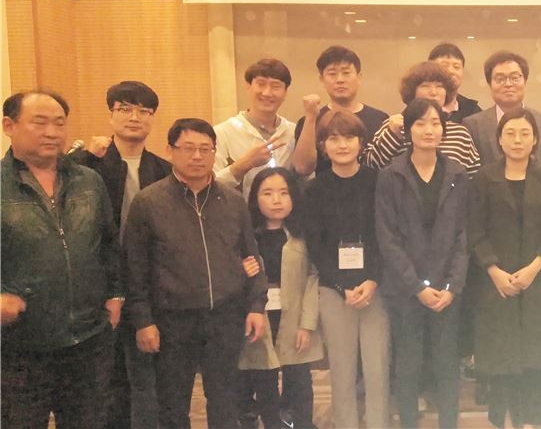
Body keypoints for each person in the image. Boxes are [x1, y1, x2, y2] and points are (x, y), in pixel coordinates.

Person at [123, 118, 268, 428]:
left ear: (215, 151)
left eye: (205, 148)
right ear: (170, 150)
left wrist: (257, 305)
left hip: (225, 318)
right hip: (173, 321)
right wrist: (143, 320)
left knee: (225, 401)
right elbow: (134, 268)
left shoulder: (232, 201)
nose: (197, 156)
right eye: (188, 148)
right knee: (173, 405)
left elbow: (251, 256)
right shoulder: (148, 202)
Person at [2, 90, 122, 429]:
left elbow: (109, 244)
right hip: (20, 346)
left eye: (59, 123)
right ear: (9, 126)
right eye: (39, 123)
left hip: (88, 340)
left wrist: (116, 295)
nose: (52, 132)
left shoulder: (89, 181)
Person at [68, 81, 170, 429]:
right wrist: (82, 155)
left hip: (150, 284)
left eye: (144, 111)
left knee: (152, 373)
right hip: (101, 283)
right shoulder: (87, 166)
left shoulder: (163, 169)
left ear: (153, 118)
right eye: (125, 109)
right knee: (108, 377)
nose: (134, 117)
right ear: (110, 115)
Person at [376, 98, 470, 428]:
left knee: (447, 364)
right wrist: (417, 287)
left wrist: (452, 286)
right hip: (406, 290)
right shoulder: (391, 176)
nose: (429, 130)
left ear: (444, 129)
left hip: (446, 290)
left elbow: (463, 235)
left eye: (435, 123)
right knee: (408, 365)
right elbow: (387, 238)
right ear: (408, 129)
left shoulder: (457, 173)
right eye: (420, 123)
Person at [469, 108, 541, 428]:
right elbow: (475, 231)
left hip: (536, 283)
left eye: (525, 133)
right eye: (510, 133)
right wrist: (494, 270)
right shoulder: (484, 179)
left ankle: (532, 421)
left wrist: (534, 268)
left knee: (532, 362)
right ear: (499, 139)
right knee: (501, 361)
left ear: (535, 139)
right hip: (495, 286)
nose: (517, 140)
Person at [305, 110, 391, 429]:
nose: (342, 145)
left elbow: (386, 236)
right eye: (334, 138)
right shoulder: (314, 189)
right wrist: (342, 286)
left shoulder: (378, 182)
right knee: (341, 371)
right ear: (323, 145)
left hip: (375, 288)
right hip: (333, 290)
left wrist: (372, 280)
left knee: (378, 369)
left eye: (349, 137)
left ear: (361, 142)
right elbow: (316, 246)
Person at [236, 168, 322, 429]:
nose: (276, 200)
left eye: (284, 193)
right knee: (264, 383)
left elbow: (312, 279)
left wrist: (307, 324)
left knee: (300, 382)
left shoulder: (302, 236)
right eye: (268, 193)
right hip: (259, 319)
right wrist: (240, 270)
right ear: (255, 198)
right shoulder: (245, 239)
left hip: (294, 320)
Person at [365, 61, 480, 175]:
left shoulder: (460, 133)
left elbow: (473, 177)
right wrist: (392, 135)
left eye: (439, 86)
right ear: (412, 91)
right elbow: (370, 166)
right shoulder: (393, 126)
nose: (433, 92)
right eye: (425, 86)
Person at [292, 45, 390, 176]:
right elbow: (302, 168)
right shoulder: (310, 120)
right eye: (332, 74)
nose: (340, 80)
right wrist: (311, 117)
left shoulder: (380, 119)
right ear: (322, 80)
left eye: (346, 73)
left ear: (359, 77)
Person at [213, 58, 295, 197]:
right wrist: (243, 165)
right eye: (261, 84)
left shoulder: (292, 132)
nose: (267, 93)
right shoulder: (222, 132)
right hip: (240, 210)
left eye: (275, 86)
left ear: (285, 92)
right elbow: (209, 186)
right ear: (248, 86)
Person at [464, 50, 541, 169]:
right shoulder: (473, 125)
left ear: (525, 81)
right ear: (489, 84)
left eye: (515, 78)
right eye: (500, 79)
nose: (508, 84)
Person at [429, 42, 482, 123]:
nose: (451, 71)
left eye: (456, 67)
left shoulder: (473, 111)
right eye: (444, 66)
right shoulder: (417, 109)